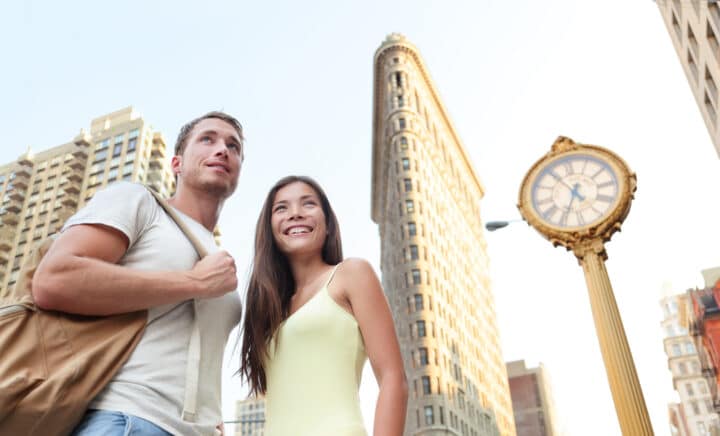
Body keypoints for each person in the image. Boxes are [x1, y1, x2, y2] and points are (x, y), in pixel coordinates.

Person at [33, 111, 244, 436]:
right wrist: (194, 283)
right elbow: (54, 279)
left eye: (234, 146)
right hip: (127, 419)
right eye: (208, 139)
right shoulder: (140, 202)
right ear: (176, 163)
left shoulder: (218, 258)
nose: (222, 150)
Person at [240, 175, 408, 436]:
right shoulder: (268, 310)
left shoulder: (352, 274)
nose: (295, 213)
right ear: (270, 228)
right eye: (281, 208)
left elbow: (393, 378)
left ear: (328, 224)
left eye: (308, 204)